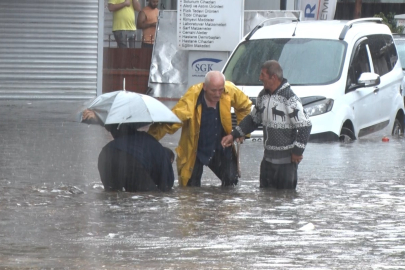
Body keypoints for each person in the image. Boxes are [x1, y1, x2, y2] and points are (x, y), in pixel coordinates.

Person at [148, 71, 252, 187]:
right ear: (205, 87)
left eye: (220, 90)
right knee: (190, 190)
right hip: (196, 150)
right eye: (213, 90)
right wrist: (148, 140)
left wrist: (240, 132)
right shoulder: (192, 97)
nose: (218, 94)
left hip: (221, 147)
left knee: (231, 184)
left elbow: (245, 106)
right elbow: (172, 121)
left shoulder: (229, 90)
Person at [221, 60, 312, 190]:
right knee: (265, 202)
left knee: (286, 203)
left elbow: (305, 126)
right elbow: (253, 119)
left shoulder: (289, 98)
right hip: (267, 162)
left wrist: (297, 152)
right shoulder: (262, 96)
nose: (260, 78)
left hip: (286, 165)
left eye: (262, 75)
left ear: (273, 77)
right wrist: (234, 134)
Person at [82, 110, 174, 192]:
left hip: (107, 154)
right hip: (132, 162)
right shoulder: (162, 156)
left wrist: (100, 118)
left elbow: (119, 128)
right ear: (171, 159)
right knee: (146, 198)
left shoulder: (140, 139)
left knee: (112, 196)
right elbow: (167, 185)